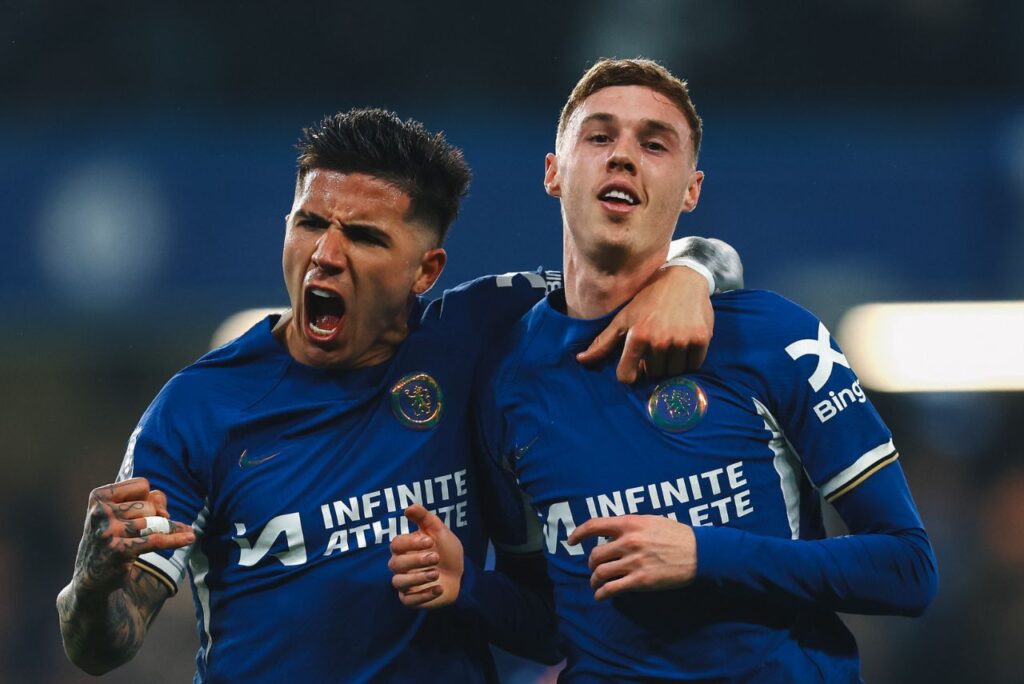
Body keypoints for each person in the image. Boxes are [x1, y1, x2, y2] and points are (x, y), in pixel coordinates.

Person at [56, 107, 742, 682]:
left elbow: (699, 258)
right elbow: (101, 646)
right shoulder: (197, 410)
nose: (326, 255)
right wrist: (90, 583)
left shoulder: (480, 333)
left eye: (363, 237)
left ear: (426, 270)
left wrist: (691, 277)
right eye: (309, 223)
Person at [389, 59, 939, 682]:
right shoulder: (505, 382)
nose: (623, 156)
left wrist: (705, 553)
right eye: (600, 136)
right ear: (553, 172)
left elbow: (908, 570)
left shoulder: (773, 336)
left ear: (692, 189)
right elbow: (552, 621)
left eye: (654, 144)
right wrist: (470, 587)